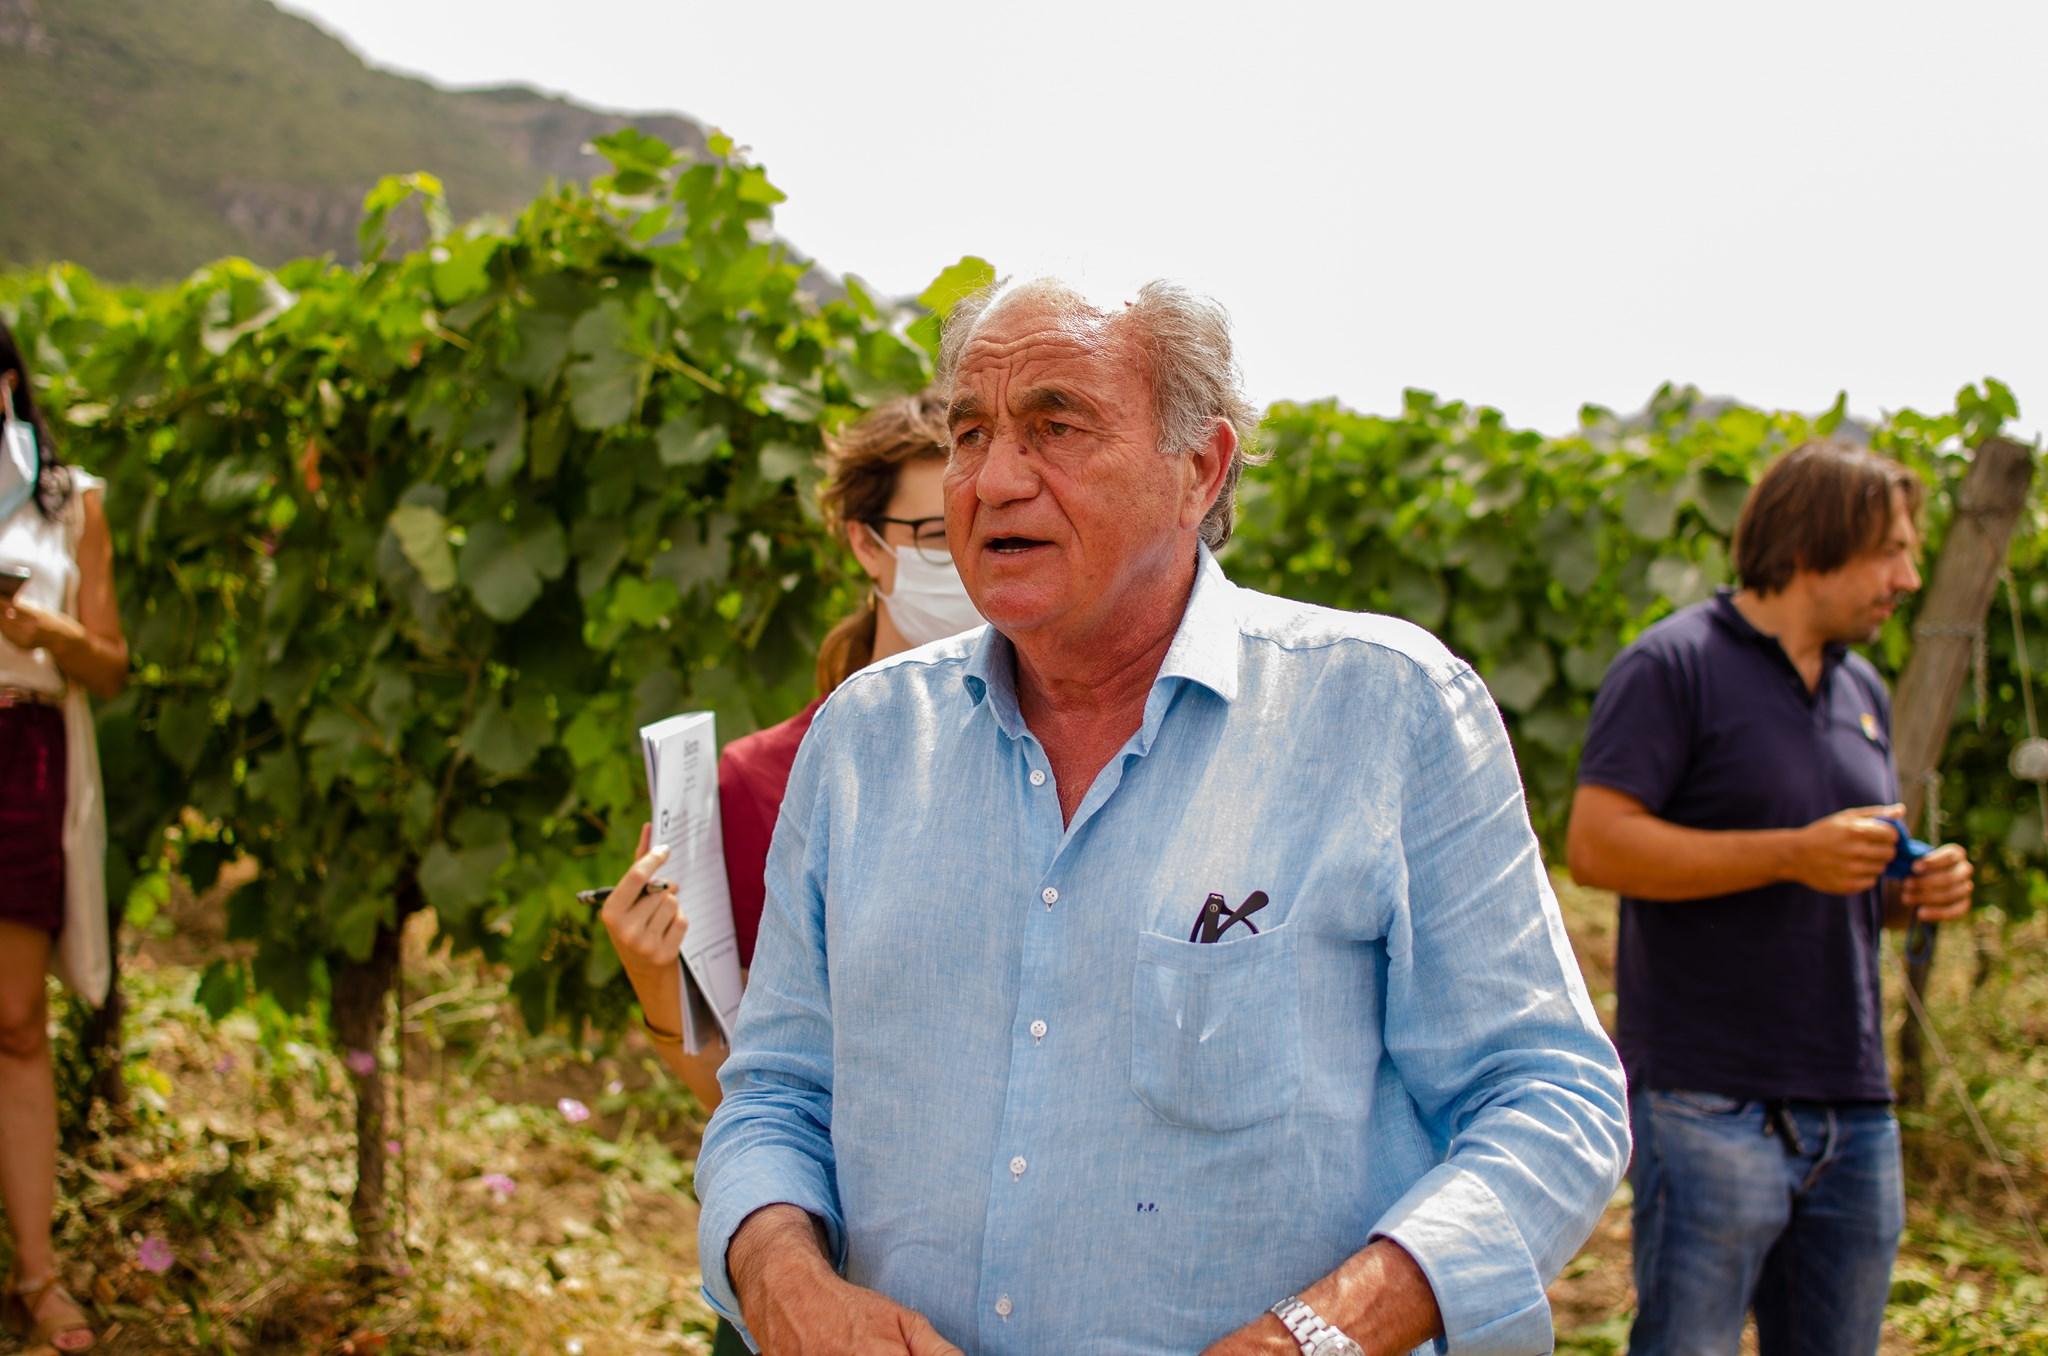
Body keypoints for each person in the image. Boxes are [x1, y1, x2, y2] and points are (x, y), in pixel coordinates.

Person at [689, 277, 1629, 1356]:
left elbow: (1548, 1099)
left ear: (1200, 469)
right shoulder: (860, 743)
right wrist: (782, 1278)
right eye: (970, 433)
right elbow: (774, 1094)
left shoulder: (1382, 709)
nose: (993, 480)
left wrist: (1311, 1338)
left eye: (1055, 427)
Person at [1565, 439, 1975, 1356]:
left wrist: (1911, 888)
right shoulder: (1673, 666)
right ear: (1810, 546)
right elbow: (1596, 846)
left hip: (1854, 1109)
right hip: (1712, 1104)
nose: (1908, 577)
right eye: (1890, 552)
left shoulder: (1861, 686)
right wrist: (1794, 853)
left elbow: (1842, 880)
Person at [597, 391, 978, 1354]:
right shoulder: (764, 783)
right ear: (866, 546)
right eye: (933, 531)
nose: (962, 558)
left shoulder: (1069, 763)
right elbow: (740, 1092)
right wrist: (656, 983)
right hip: (812, 1278)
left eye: (978, 524)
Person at [0, 320, 128, 1354]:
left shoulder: (69, 500)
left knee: (15, 1020)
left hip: (23, 753)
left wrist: (49, 635)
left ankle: (38, 1279)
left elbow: (113, 665)